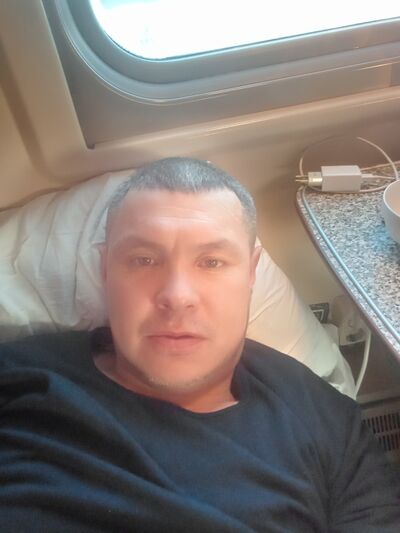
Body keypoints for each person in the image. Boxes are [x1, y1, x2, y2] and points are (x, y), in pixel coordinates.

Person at [0, 157, 399, 532]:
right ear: (105, 269)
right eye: (143, 260)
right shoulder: (20, 376)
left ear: (251, 272)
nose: (177, 296)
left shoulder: (326, 421)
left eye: (211, 262)